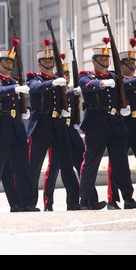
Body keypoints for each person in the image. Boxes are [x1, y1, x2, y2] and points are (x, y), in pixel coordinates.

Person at [78, 37, 136, 210]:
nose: (105, 62)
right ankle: (85, 199)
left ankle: (127, 197)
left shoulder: (115, 76)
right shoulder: (86, 76)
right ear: (94, 61)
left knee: (121, 162)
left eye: (107, 59)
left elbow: (126, 85)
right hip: (95, 125)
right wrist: (103, 83)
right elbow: (87, 85)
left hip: (116, 124)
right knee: (91, 162)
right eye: (102, 59)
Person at [0, 46, 38, 212]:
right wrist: (13, 89)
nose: (8, 63)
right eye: (5, 61)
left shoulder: (15, 81)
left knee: (22, 168)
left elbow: (18, 102)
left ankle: (24, 203)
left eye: (10, 61)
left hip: (16, 127)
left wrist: (25, 110)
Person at [26, 39, 81, 210]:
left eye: (51, 61)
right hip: (40, 126)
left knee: (67, 165)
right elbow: (35, 87)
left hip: (58, 126)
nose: (49, 63)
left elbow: (64, 96)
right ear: (39, 63)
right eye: (46, 61)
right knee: (34, 168)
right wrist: (52, 83)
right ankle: (29, 203)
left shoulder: (60, 80)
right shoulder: (33, 77)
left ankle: (72, 202)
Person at [42, 57, 100, 211]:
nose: (66, 77)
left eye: (67, 74)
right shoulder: (56, 91)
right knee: (53, 169)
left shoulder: (72, 92)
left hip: (72, 134)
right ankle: (48, 203)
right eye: (63, 74)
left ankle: (88, 200)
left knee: (83, 166)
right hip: (58, 134)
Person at [107, 39, 136, 209]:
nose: (133, 65)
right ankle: (114, 199)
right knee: (118, 163)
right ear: (121, 64)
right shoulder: (116, 79)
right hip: (122, 126)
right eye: (129, 62)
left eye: (134, 62)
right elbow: (124, 86)